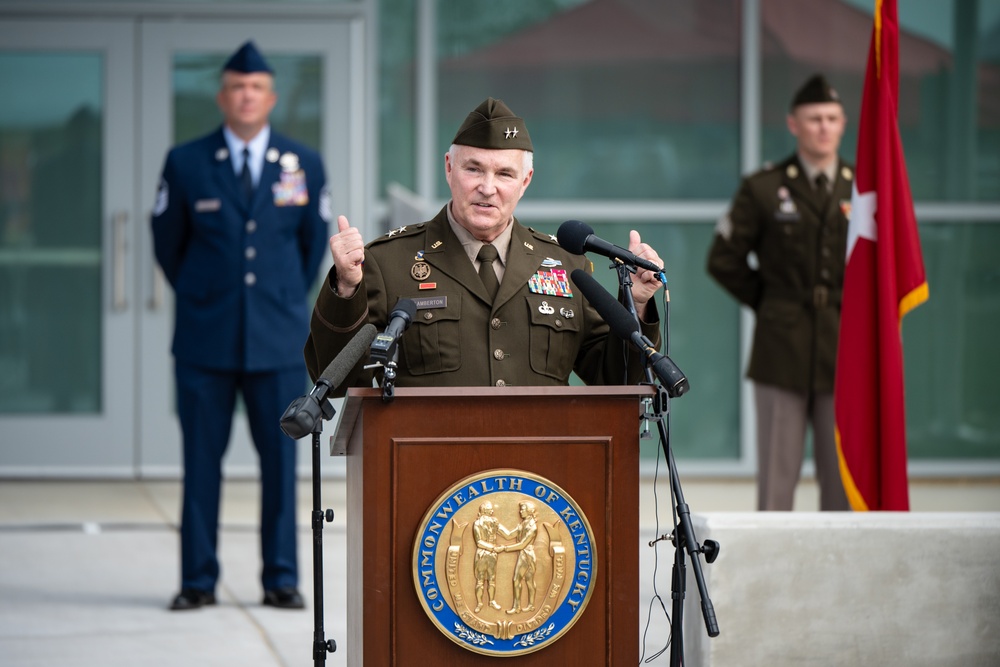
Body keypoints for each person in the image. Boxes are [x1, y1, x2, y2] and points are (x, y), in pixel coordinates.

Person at [304, 96, 664, 390]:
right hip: (430, 468)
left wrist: (636, 303)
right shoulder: (388, 262)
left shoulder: (567, 265)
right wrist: (346, 289)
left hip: (538, 469)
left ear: (526, 181)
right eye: (473, 169)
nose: (487, 187)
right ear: (448, 168)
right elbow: (338, 380)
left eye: (504, 173)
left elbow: (613, 378)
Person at [151, 40, 330, 610]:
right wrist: (210, 296)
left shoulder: (303, 163)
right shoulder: (186, 162)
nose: (246, 95)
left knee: (281, 466)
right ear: (221, 96)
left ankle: (280, 578)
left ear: (270, 97)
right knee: (200, 464)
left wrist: (275, 301)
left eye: (256, 87)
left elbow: (309, 251)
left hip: (278, 342)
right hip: (205, 339)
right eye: (236, 86)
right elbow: (168, 246)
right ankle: (196, 581)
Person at [707, 74, 853, 512]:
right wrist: (773, 305)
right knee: (776, 483)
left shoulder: (863, 189)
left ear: (843, 123)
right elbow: (724, 260)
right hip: (781, 348)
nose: (823, 127)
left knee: (843, 481)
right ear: (794, 124)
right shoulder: (765, 187)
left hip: (845, 346)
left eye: (831, 118)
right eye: (814, 119)